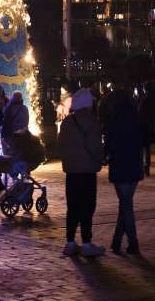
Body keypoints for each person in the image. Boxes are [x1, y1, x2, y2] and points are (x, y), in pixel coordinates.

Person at [59, 88, 104, 257]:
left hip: (71, 172)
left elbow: (60, 146)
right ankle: (86, 242)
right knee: (87, 207)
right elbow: (95, 147)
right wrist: (99, 160)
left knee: (73, 207)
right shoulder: (92, 123)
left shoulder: (66, 123)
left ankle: (70, 242)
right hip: (87, 172)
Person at [104, 87, 143, 254]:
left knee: (126, 205)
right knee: (125, 204)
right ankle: (117, 240)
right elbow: (149, 135)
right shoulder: (136, 118)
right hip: (133, 165)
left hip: (120, 166)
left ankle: (132, 242)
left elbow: (108, 145)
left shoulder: (113, 121)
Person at [137, 82, 155, 177]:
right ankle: (147, 168)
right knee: (147, 148)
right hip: (151, 125)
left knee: (142, 148)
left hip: (143, 126)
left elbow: (140, 112)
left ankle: (143, 167)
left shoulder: (145, 99)